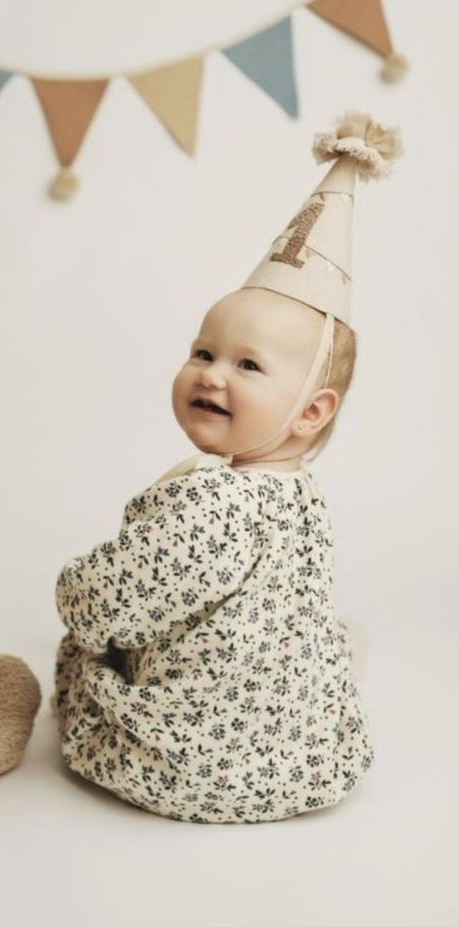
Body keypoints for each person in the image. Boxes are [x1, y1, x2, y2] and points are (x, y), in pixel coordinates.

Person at [52, 111, 402, 823]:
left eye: (248, 365)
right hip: (294, 755)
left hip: (195, 763)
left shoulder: (211, 503)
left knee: (79, 658)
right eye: (203, 352)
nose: (212, 375)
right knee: (302, 640)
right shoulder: (298, 494)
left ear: (311, 411)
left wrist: (74, 591)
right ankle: (303, 712)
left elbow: (110, 599)